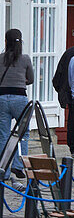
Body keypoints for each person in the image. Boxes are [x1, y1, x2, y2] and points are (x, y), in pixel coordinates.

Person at [0, 29, 33, 178]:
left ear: (6, 42)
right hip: (20, 98)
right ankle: (18, 165)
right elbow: (30, 79)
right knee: (23, 132)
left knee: (3, 135)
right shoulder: (25, 59)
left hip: (2, 98)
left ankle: (3, 171)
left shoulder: (0, 58)